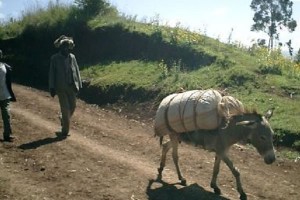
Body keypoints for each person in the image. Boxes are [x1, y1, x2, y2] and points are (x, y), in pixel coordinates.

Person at [49, 35, 82, 137]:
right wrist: (52, 87)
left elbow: (76, 71)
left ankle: (63, 119)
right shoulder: (54, 58)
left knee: (73, 106)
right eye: (63, 47)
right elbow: (52, 73)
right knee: (65, 108)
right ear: (60, 48)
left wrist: (79, 84)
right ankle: (64, 131)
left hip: (72, 86)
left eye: (67, 47)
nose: (65, 49)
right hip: (60, 87)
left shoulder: (72, 57)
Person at [0, 49, 16, 142]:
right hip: (4, 94)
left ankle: (7, 135)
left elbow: (8, 82)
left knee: (6, 115)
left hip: (4, 95)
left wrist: (11, 94)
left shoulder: (5, 67)